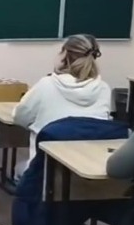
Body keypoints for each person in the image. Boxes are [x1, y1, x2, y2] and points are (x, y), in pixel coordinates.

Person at [11, 34, 112, 179]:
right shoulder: (104, 88)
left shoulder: (46, 84)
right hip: (89, 169)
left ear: (65, 55)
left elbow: (20, 117)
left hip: (45, 171)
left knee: (19, 169)